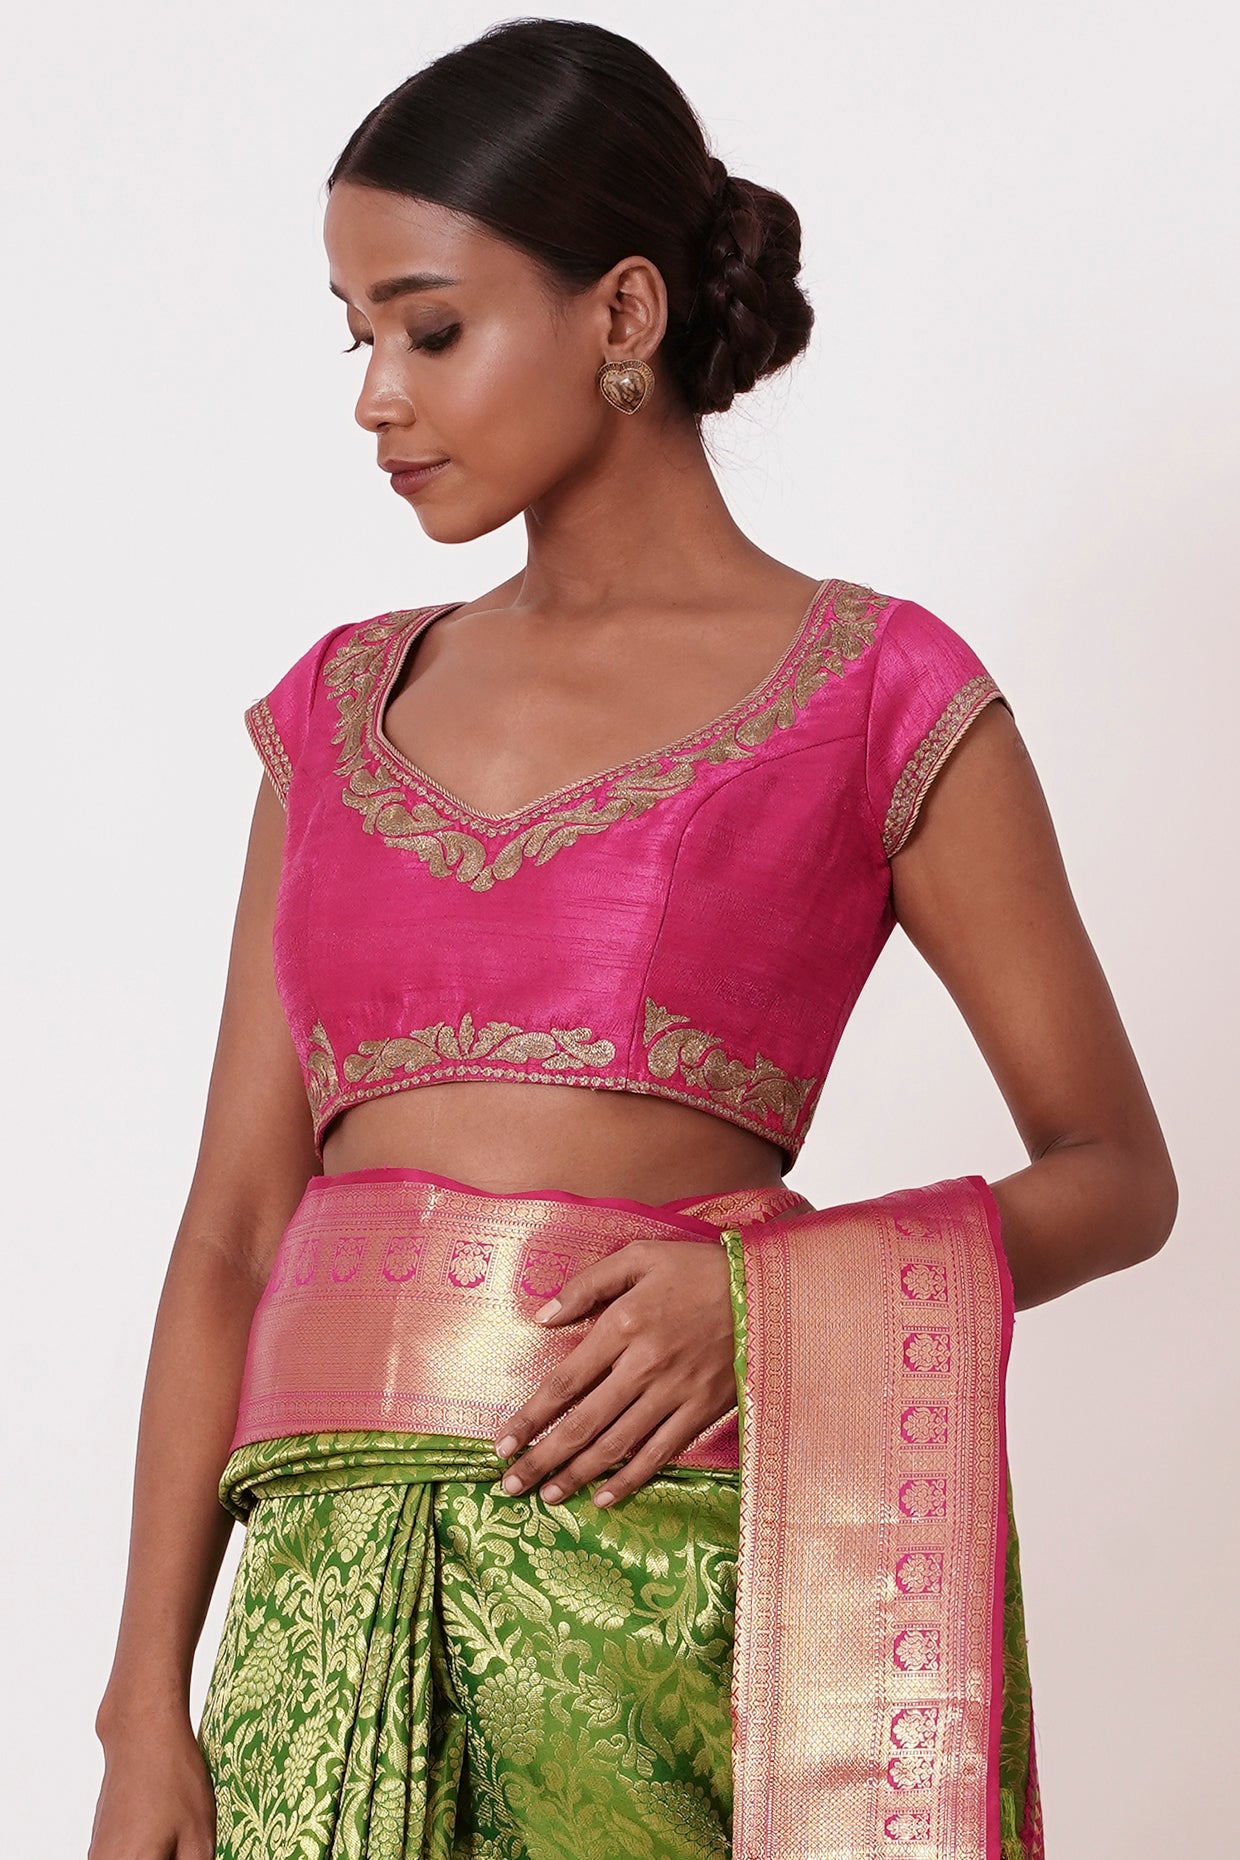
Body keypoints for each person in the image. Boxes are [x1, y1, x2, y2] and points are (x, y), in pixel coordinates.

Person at [88, 18, 1177, 1860]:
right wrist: (143, 1715)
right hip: (323, 1625)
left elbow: (1117, 1176)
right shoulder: (336, 715)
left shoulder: (876, 694)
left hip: (680, 1606)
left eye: (432, 329)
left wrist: (771, 1307)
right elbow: (232, 1236)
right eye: (356, 338)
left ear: (624, 312)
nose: (377, 397)